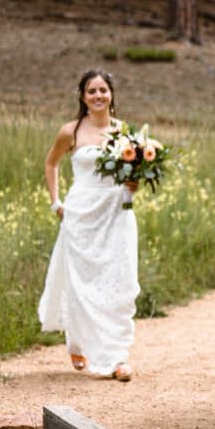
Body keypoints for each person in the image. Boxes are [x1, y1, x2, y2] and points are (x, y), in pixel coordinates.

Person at [37, 68, 139, 382]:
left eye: (103, 90)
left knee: (118, 282)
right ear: (83, 96)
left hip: (115, 212)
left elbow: (129, 171)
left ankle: (117, 357)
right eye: (91, 91)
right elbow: (50, 162)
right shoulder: (71, 131)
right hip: (81, 212)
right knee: (81, 283)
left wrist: (132, 186)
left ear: (111, 95)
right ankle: (79, 342)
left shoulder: (124, 132)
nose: (98, 96)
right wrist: (56, 202)